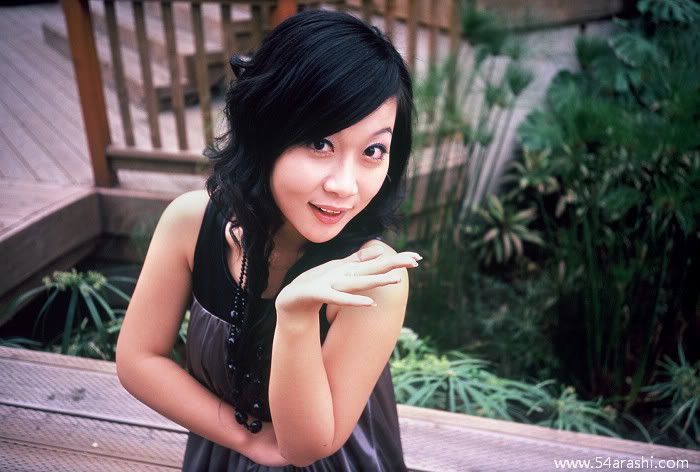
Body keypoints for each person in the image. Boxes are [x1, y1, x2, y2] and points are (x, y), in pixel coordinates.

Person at [116, 9, 420, 471]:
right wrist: (248, 439)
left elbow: (304, 447)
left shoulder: (374, 278)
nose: (345, 185)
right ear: (265, 131)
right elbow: (138, 358)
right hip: (222, 452)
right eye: (320, 143)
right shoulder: (191, 223)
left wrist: (297, 314)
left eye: (373, 150)